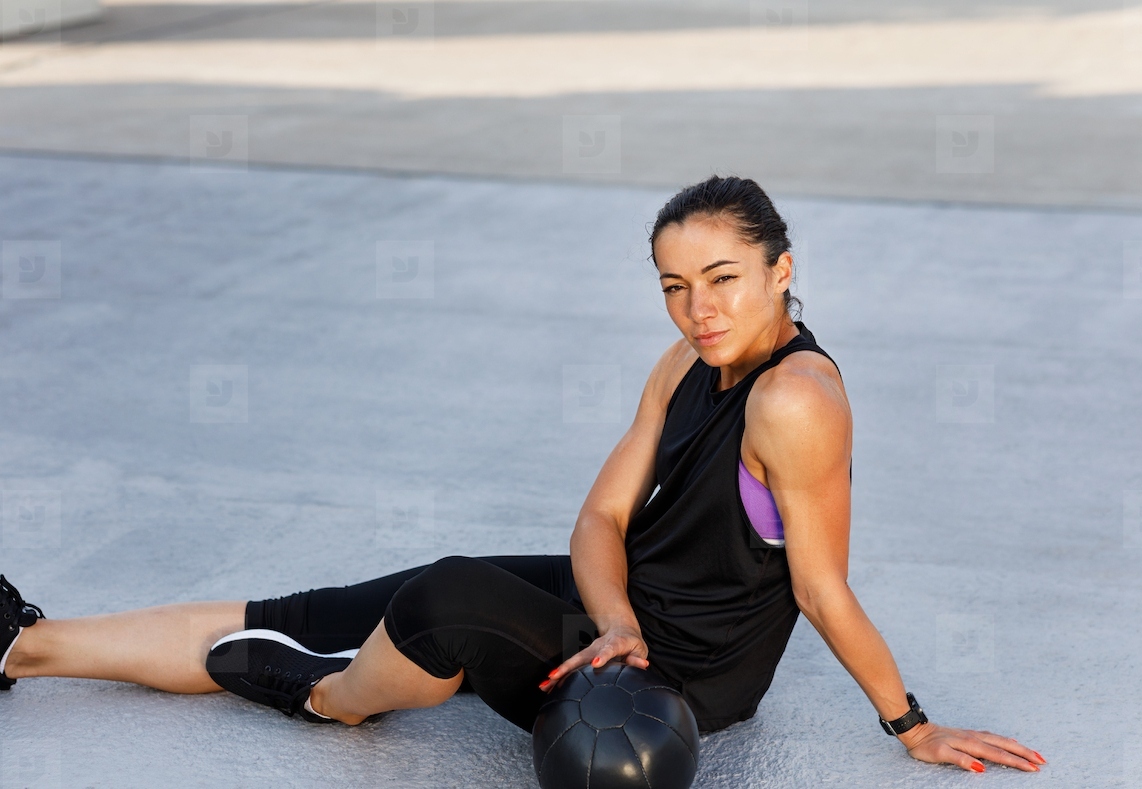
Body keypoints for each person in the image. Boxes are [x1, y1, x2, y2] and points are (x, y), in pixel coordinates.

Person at [1, 175, 1044, 774]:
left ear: (780, 268)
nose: (698, 309)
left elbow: (819, 586)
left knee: (444, 596)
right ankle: (22, 645)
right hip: (622, 614)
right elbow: (599, 517)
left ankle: (329, 702)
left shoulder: (794, 399)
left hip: (680, 674)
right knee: (327, 600)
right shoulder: (688, 359)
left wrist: (910, 724)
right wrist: (615, 614)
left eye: (723, 280)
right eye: (675, 287)